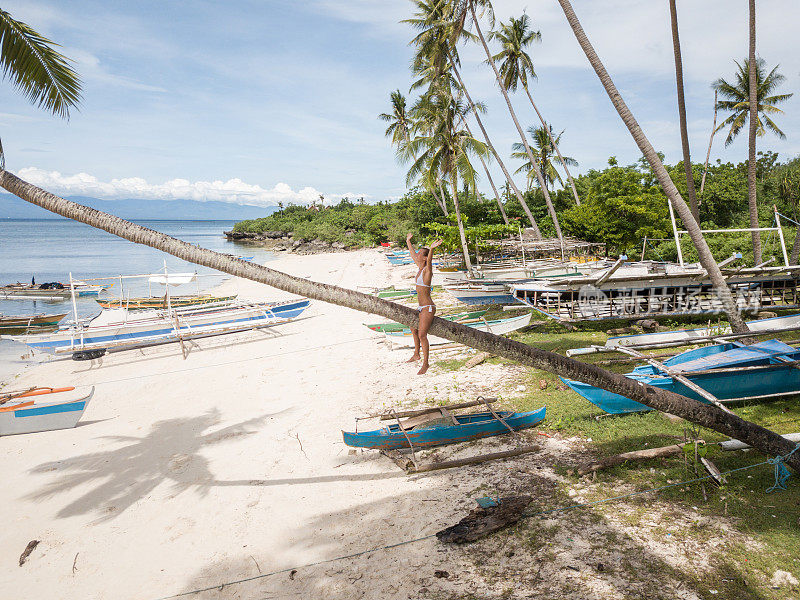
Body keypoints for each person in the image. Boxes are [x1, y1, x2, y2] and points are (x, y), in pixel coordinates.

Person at [406, 232, 443, 375]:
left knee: (422, 334)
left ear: (426, 257)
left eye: (420, 253)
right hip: (421, 307)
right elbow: (412, 254)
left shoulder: (427, 271)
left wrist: (432, 249)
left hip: (428, 307)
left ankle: (426, 363)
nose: (417, 254)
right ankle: (416, 354)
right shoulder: (419, 268)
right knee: (412, 327)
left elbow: (430, 261)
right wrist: (408, 241)